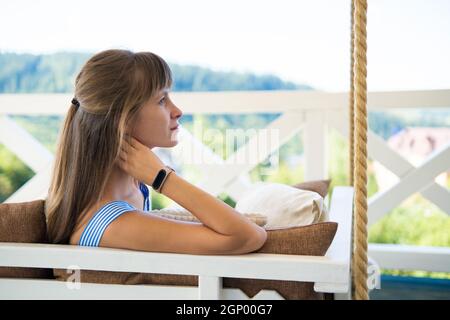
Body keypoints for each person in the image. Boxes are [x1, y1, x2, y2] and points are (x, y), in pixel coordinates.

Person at [45, 49, 267, 255]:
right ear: (121, 120)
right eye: (162, 100)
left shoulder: (135, 190)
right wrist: (163, 178)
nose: (177, 111)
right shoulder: (111, 224)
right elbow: (249, 236)